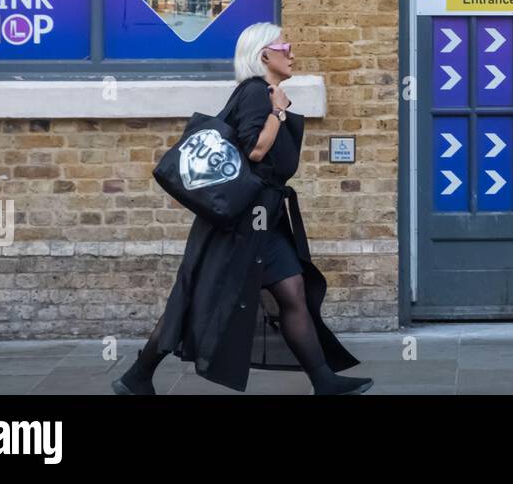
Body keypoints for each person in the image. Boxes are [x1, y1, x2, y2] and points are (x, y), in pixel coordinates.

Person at [112, 22, 372, 395]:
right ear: (265, 54)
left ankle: (324, 380)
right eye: (287, 46)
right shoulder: (255, 93)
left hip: (264, 218)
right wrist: (278, 113)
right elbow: (253, 151)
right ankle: (138, 375)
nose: (293, 53)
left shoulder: (265, 93)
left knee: (292, 290)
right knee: (194, 297)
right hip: (241, 222)